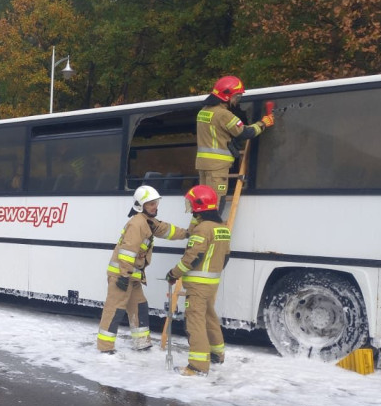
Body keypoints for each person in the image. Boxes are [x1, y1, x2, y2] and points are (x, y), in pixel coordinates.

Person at [97, 185, 187, 353]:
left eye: (156, 202)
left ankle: (142, 343)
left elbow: (167, 230)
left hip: (132, 276)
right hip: (122, 276)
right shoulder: (137, 224)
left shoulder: (148, 222)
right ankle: (105, 347)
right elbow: (127, 252)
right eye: (151, 204)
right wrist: (123, 276)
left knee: (139, 306)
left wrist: (189, 233)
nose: (155, 206)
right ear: (141, 205)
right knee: (114, 309)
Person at [166, 184, 232, 377]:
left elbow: (192, 258)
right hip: (211, 284)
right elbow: (226, 257)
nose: (190, 209)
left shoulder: (202, 230)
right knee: (209, 317)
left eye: (192, 205)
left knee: (194, 322)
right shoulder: (222, 228)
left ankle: (197, 366)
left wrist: (173, 273)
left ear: (200, 206)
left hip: (197, 285)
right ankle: (217, 353)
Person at [195, 75, 275, 204]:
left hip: (203, 165)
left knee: (202, 201)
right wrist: (263, 123)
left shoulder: (203, 112)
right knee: (215, 203)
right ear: (226, 96)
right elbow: (245, 132)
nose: (237, 100)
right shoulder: (223, 114)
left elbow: (217, 133)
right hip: (217, 167)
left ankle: (197, 224)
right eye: (236, 96)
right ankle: (213, 225)